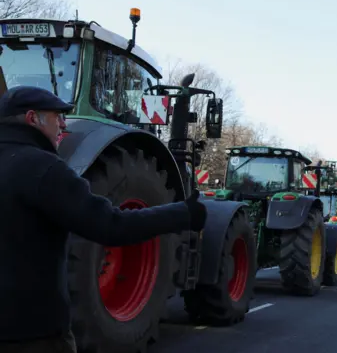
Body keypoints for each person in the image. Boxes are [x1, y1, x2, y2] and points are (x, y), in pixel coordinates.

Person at [0, 86, 207, 353]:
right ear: (32, 118)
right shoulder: (44, 168)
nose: (63, 124)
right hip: (31, 334)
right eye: (57, 116)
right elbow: (111, 226)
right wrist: (183, 213)